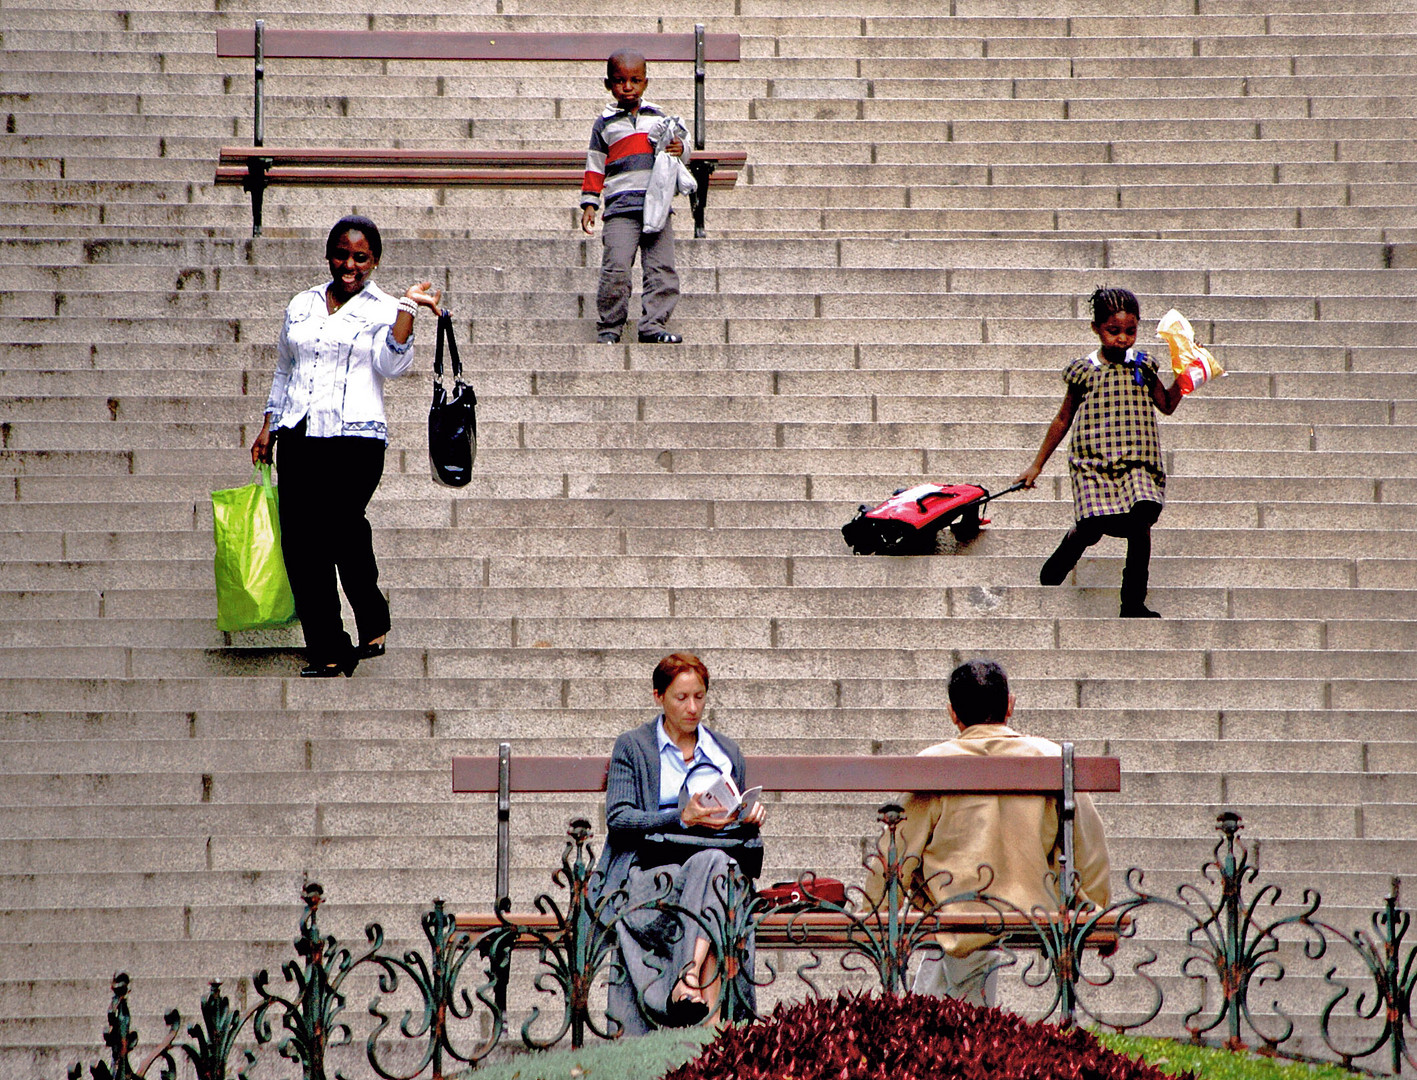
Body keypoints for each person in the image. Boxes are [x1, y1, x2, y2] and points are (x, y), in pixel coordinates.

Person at [250, 215, 442, 677]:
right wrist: (267, 425)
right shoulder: (302, 303)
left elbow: (391, 365)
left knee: (339, 528)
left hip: (355, 440)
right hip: (298, 435)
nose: (349, 264)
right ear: (328, 254)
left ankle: (371, 614)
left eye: (360, 257)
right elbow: (284, 368)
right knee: (301, 546)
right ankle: (330, 649)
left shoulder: (382, 307)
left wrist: (407, 311)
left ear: (373, 261)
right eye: (341, 253)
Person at [863, 659, 1111, 1008]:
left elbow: (896, 851)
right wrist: (1098, 910)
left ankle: (937, 1021)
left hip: (956, 908)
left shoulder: (934, 764)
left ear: (952, 713)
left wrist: (868, 914)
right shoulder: (1054, 759)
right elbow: (1090, 847)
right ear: (1010, 704)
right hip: (1036, 908)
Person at [593, 652, 766, 1034]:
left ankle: (688, 981)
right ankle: (712, 1031)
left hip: (711, 866)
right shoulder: (633, 747)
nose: (692, 708)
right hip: (650, 873)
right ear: (658, 697)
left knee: (717, 866)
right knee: (718, 877)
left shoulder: (725, 753)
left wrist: (745, 818)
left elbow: (735, 826)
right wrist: (680, 816)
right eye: (681, 698)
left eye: (699, 697)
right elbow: (619, 819)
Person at [1015, 286, 1185, 618]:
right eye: (1114, 331)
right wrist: (1036, 466)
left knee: (1142, 520)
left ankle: (1132, 602)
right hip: (1094, 463)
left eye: (1131, 331)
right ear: (1096, 328)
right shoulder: (1085, 370)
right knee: (1092, 527)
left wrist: (1185, 376)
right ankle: (1067, 550)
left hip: (1138, 462)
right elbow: (1063, 418)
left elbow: (1165, 405)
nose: (1123, 339)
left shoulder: (1144, 365)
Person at [579, 49, 685, 344]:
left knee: (661, 268)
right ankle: (610, 326)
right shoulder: (604, 123)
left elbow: (677, 152)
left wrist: (680, 150)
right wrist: (590, 202)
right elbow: (595, 164)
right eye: (619, 81)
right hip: (620, 209)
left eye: (635, 80)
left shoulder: (659, 117)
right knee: (616, 267)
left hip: (657, 208)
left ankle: (653, 324)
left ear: (645, 83)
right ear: (608, 84)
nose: (627, 87)